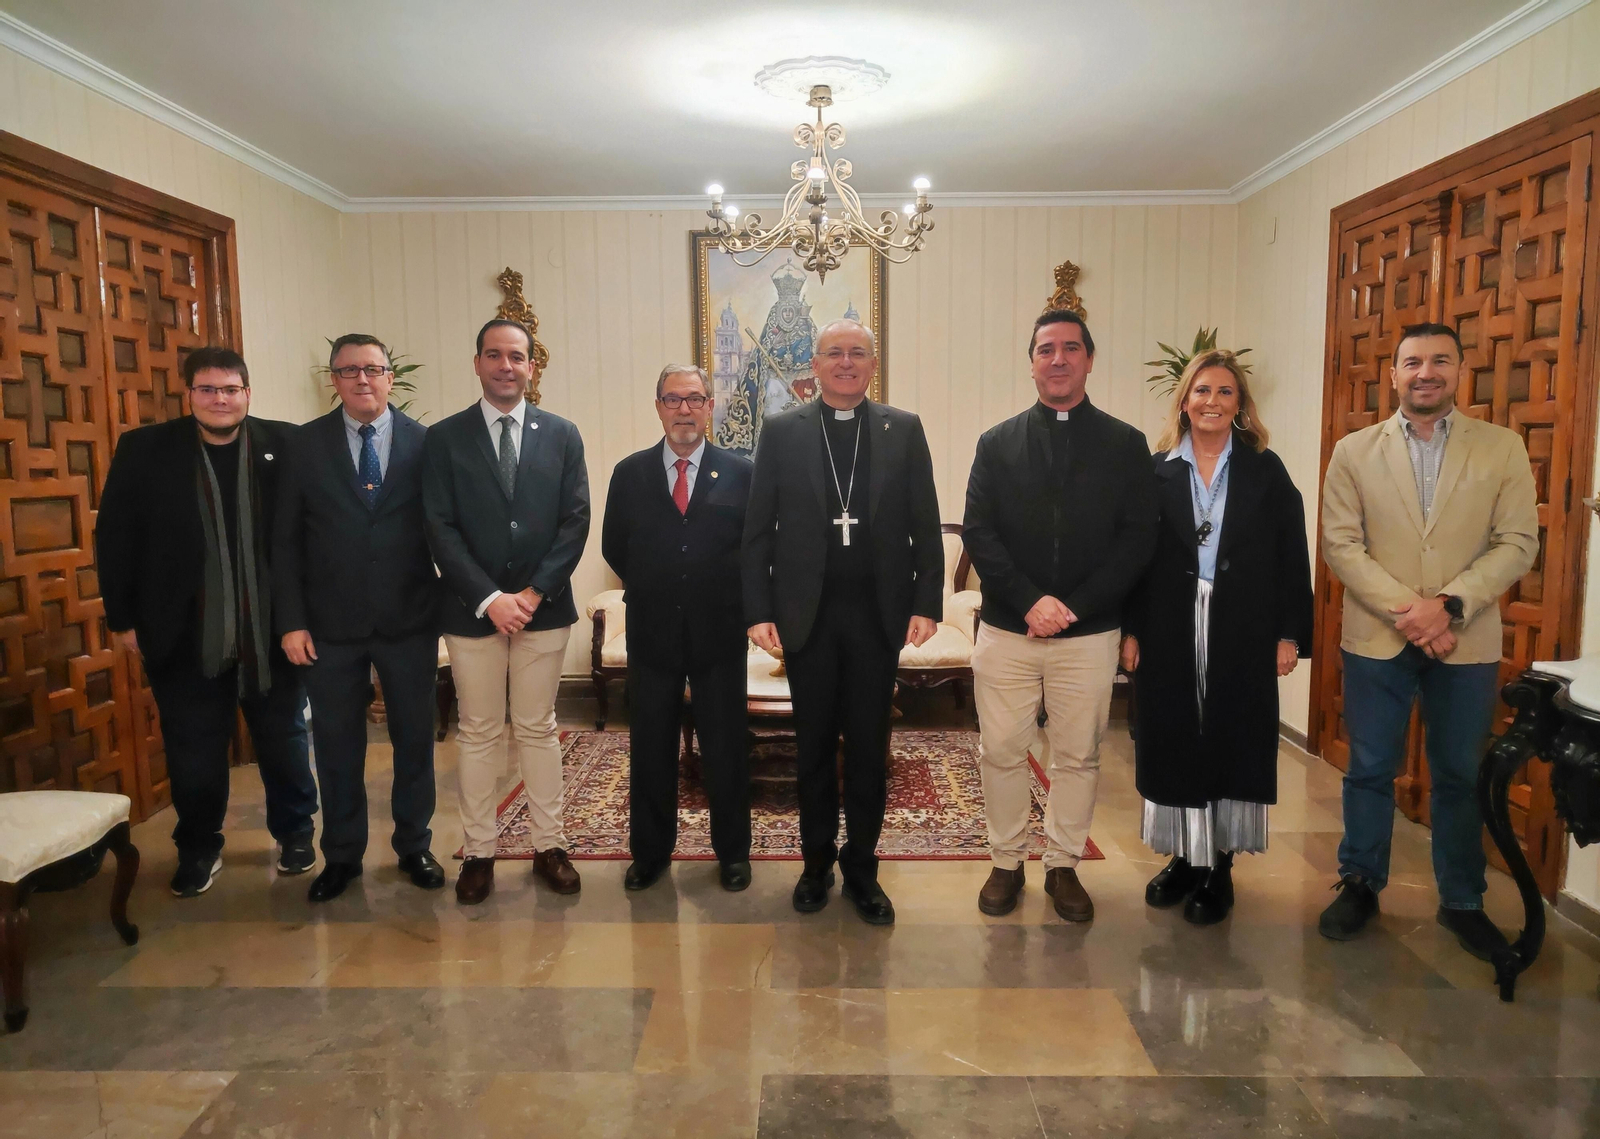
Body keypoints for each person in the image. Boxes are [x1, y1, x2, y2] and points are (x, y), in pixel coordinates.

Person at [1319, 322, 1538, 959]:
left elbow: (1518, 541)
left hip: (1464, 642)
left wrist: (1448, 607)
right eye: (1412, 362)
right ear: (1394, 374)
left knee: (1459, 774)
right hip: (1378, 639)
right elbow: (1340, 544)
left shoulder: (1501, 449)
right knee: (1369, 769)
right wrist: (1409, 613)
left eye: (1439, 360)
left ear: (1459, 369)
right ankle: (1360, 881)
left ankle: (1463, 900)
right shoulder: (1354, 451)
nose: (1426, 372)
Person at [96, 346, 318, 896]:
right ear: (188, 393)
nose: (221, 399)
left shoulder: (286, 445)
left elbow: (311, 537)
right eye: (208, 389)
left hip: (273, 632)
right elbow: (116, 537)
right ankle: (198, 845)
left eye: (231, 389)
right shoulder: (146, 449)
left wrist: (307, 616)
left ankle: (295, 833)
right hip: (181, 631)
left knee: (285, 739)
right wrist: (122, 618)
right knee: (194, 748)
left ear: (248, 392)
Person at [742, 318, 942, 925]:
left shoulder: (902, 429)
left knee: (868, 750)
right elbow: (757, 532)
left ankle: (862, 870)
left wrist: (926, 601)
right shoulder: (781, 432)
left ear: (873, 363)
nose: (847, 362)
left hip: (877, 617)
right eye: (835, 353)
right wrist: (759, 611)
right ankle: (813, 865)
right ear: (816, 363)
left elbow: (925, 523)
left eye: (858, 353)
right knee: (811, 751)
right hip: (809, 617)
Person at [963, 309, 1158, 923]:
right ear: (1032, 362)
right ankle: (1006, 860)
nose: (1058, 359)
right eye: (1046, 349)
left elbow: (1137, 538)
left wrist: (1075, 605)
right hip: (1007, 627)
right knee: (1001, 750)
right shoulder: (997, 443)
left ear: (1090, 360)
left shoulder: (1125, 444)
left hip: (1089, 631)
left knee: (1078, 754)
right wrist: (1028, 600)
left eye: (1071, 348)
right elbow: (980, 531)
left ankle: (1064, 864)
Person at [1121, 350, 1313, 924]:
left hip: (1243, 625)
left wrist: (1289, 634)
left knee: (1232, 735)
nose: (1212, 401)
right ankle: (1184, 857)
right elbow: (1135, 557)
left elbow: (1291, 555)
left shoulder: (1265, 469)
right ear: (1184, 400)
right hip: (1168, 624)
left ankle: (1219, 866)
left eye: (1225, 392)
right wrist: (1130, 629)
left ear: (1240, 406)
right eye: (1202, 390)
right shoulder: (1155, 471)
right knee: (1175, 733)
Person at [422, 319, 590, 905]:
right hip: (472, 612)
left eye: (516, 357)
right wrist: (491, 598)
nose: (505, 366)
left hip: (545, 609)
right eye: (494, 356)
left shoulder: (562, 434)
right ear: (477, 364)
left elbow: (575, 521)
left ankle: (550, 844)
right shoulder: (444, 439)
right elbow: (438, 525)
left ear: (531, 367)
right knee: (479, 731)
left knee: (539, 727)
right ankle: (479, 851)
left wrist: (533, 593)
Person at [273, 334, 445, 902]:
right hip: (329, 627)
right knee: (337, 744)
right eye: (349, 371)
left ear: (391, 377)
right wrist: (291, 621)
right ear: (334, 380)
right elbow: (286, 541)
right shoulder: (303, 446)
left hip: (409, 619)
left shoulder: (429, 444)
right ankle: (341, 855)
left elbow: (445, 531)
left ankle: (414, 845)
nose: (362, 379)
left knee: (414, 740)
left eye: (373, 369)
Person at [601, 365, 753, 892]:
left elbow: (756, 549)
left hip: (720, 632)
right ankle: (650, 853)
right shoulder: (630, 473)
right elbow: (613, 546)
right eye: (673, 399)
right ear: (658, 406)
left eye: (694, 399)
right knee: (650, 745)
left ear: (711, 405)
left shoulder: (742, 472)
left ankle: (733, 854)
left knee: (726, 747)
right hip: (653, 631)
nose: (684, 409)